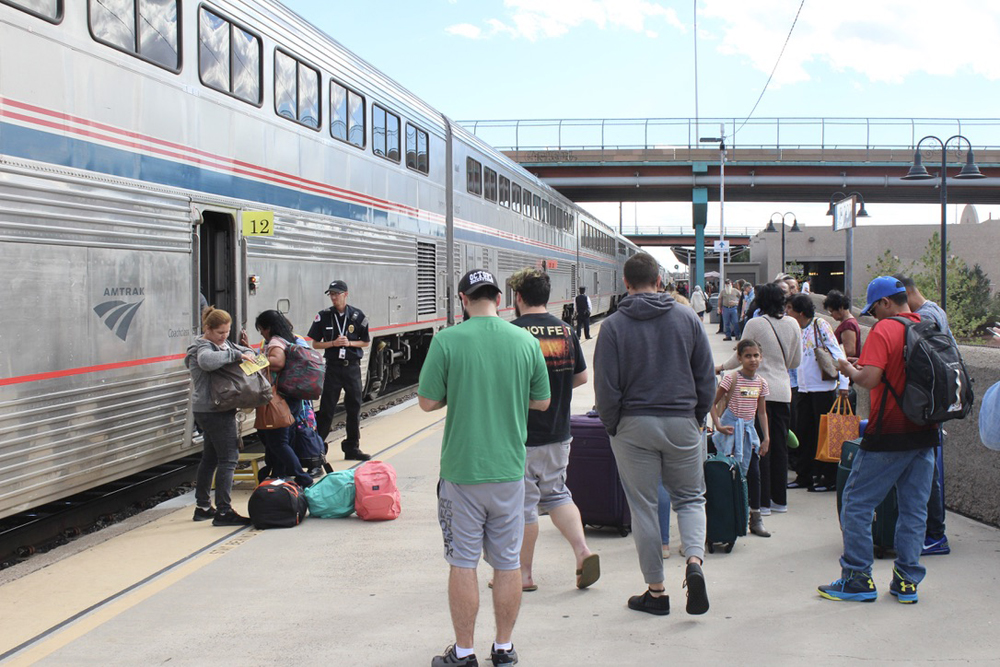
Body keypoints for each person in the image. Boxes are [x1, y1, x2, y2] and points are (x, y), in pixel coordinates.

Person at [419, 268, 550, 667]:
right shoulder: (525, 341)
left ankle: (463, 653)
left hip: (462, 471)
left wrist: (458, 393)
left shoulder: (447, 340)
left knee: (463, 562)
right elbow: (541, 401)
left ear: (463, 300)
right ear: (500, 299)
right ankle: (505, 649)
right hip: (509, 470)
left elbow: (427, 402)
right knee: (508, 563)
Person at [594, 252, 714, 617]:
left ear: (626, 284)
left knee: (644, 507)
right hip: (681, 419)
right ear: (660, 281)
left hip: (633, 424)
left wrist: (613, 424)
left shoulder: (613, 326)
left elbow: (606, 387)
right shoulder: (686, 317)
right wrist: (697, 415)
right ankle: (694, 561)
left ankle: (657, 592)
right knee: (691, 499)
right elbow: (705, 374)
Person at [819, 277, 939, 603]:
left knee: (856, 504)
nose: (872, 316)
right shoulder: (928, 325)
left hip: (888, 435)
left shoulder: (885, 330)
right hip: (925, 433)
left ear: (885, 302)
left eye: (873, 310)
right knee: (914, 511)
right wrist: (866, 366)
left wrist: (847, 368)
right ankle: (906, 582)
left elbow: (869, 379)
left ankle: (857, 578)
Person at [509, 268, 599, 592]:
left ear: (518, 297)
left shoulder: (513, 333)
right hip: (559, 431)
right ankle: (582, 551)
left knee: (525, 504)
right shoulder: (565, 330)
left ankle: (525, 575)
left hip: (522, 436)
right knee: (558, 493)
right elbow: (581, 377)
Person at [894, 274, 952, 556]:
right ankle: (933, 531)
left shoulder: (925, 317)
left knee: (928, 474)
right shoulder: (934, 310)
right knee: (927, 471)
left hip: (929, 407)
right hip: (935, 404)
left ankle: (936, 534)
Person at [185, 307, 256, 527]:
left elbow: (247, 352)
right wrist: (235, 354)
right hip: (214, 409)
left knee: (211, 458)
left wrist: (248, 352)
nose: (224, 336)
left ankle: (203, 506)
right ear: (207, 328)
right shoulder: (203, 347)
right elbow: (207, 361)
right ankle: (224, 511)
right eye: (220, 332)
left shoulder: (223, 345)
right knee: (229, 459)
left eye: (227, 332)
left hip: (211, 408)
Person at [786, 294, 849, 492]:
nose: (787, 312)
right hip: (804, 389)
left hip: (823, 389)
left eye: (790, 308)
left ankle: (828, 477)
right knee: (804, 433)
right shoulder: (797, 329)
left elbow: (837, 354)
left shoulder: (819, 325)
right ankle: (805, 475)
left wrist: (844, 383)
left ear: (800, 312)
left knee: (825, 435)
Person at [712, 339, 771, 537]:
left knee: (754, 474)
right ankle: (728, 515)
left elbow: (761, 412)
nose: (752, 360)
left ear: (761, 357)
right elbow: (712, 403)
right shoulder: (731, 379)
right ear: (739, 358)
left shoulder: (761, 383)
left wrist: (766, 437)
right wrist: (718, 425)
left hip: (748, 436)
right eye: (747, 356)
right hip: (730, 435)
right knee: (729, 475)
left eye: (756, 356)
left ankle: (755, 517)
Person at [308, 280, 371, 461]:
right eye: (331, 294)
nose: (334, 298)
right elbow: (315, 343)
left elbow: (365, 341)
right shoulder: (324, 316)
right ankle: (317, 448)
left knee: (354, 408)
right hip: (333, 368)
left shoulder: (358, 316)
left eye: (337, 294)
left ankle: (352, 447)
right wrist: (333, 344)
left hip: (351, 368)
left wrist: (349, 343)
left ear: (346, 294)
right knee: (327, 409)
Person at [255, 310, 314, 489]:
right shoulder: (291, 339)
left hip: (280, 398)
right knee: (283, 439)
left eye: (261, 330)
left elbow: (277, 362)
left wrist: (254, 359)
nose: (262, 334)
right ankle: (279, 475)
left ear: (268, 328)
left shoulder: (275, 341)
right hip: (293, 395)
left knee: (277, 442)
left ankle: (302, 477)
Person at [824, 290, 862, 360]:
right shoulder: (847, 323)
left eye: (832, 311)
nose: (831, 314)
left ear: (840, 308)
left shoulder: (848, 325)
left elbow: (850, 351)